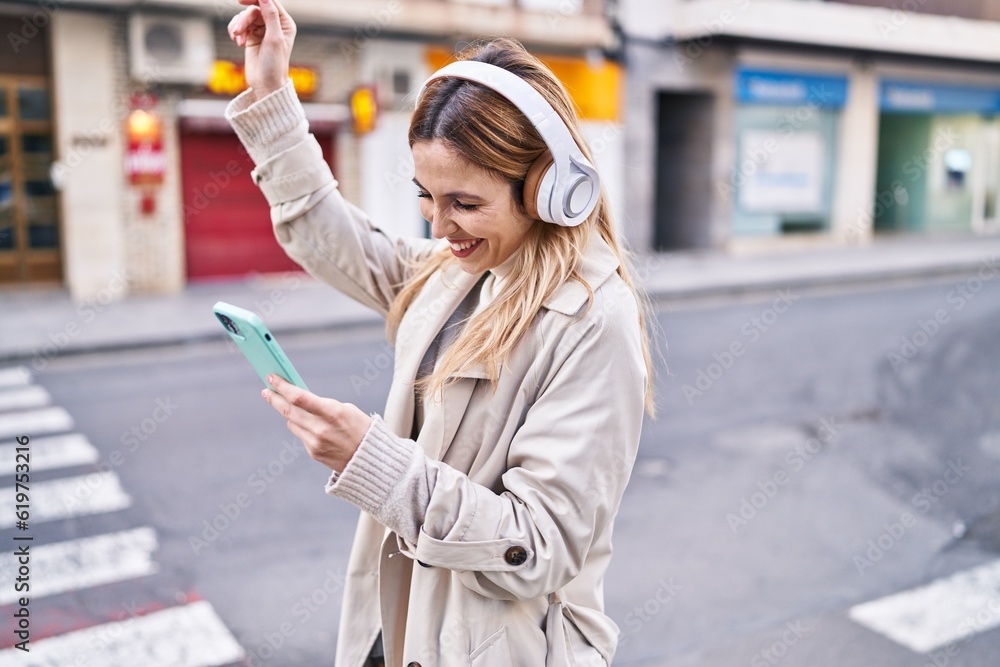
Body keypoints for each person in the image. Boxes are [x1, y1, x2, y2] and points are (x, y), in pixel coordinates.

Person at [226, 0, 656, 665]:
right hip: (399, 631)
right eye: (427, 195)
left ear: (549, 189)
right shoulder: (456, 269)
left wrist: (371, 460)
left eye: (466, 203)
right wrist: (272, 95)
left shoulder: (594, 321)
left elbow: (537, 547)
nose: (438, 225)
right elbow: (329, 235)